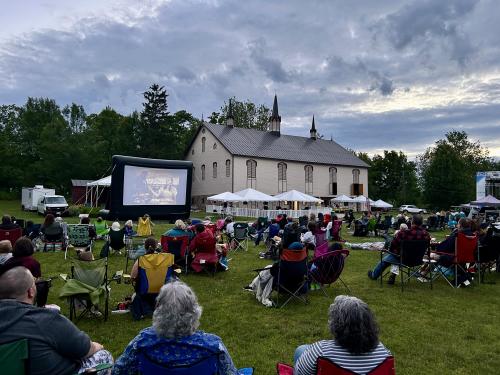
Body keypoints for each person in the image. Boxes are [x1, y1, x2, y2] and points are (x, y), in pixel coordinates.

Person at [0, 266, 113, 375]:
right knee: (104, 355)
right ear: (31, 292)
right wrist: (98, 346)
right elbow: (84, 349)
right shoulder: (44, 319)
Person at [113, 281, 241, 374]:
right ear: (194, 311)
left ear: (158, 310)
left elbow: (118, 371)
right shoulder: (213, 346)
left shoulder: (142, 342)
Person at [294, 295, 391, 375]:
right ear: (369, 323)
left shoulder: (321, 351)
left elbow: (298, 372)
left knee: (301, 350)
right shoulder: (385, 354)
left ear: (336, 325)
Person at [368, 214, 430, 284]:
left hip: (402, 259)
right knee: (395, 256)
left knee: (386, 260)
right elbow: (427, 246)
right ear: (421, 223)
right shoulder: (426, 234)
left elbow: (392, 246)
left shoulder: (403, 233)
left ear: (412, 222)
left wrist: (390, 251)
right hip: (418, 260)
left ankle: (374, 275)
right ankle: (392, 275)